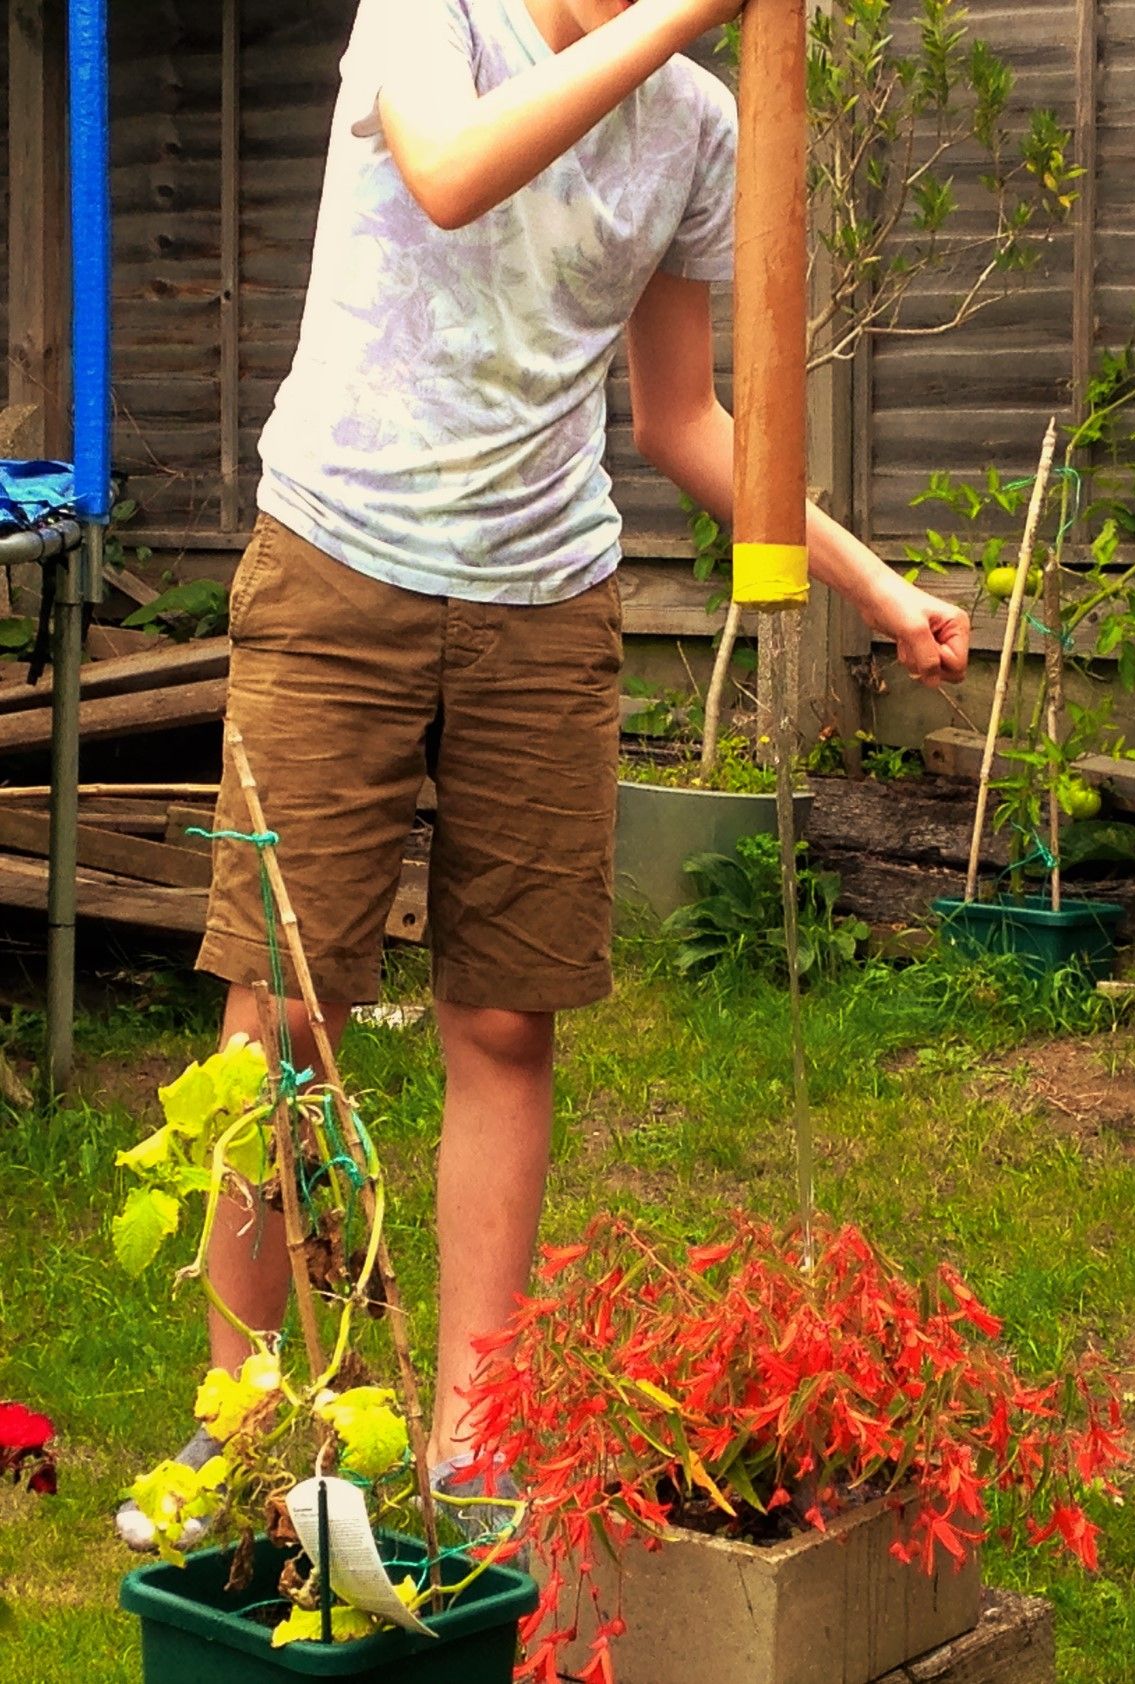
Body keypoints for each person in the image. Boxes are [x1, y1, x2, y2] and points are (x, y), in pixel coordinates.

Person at [117, 0, 969, 1549]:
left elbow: (680, 416)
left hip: (544, 598)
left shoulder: (699, 129)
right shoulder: (427, 15)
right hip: (335, 569)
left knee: (508, 1013)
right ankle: (237, 1421)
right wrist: (676, 21)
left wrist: (871, 583)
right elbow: (448, 175)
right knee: (281, 1005)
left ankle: (472, 1437)